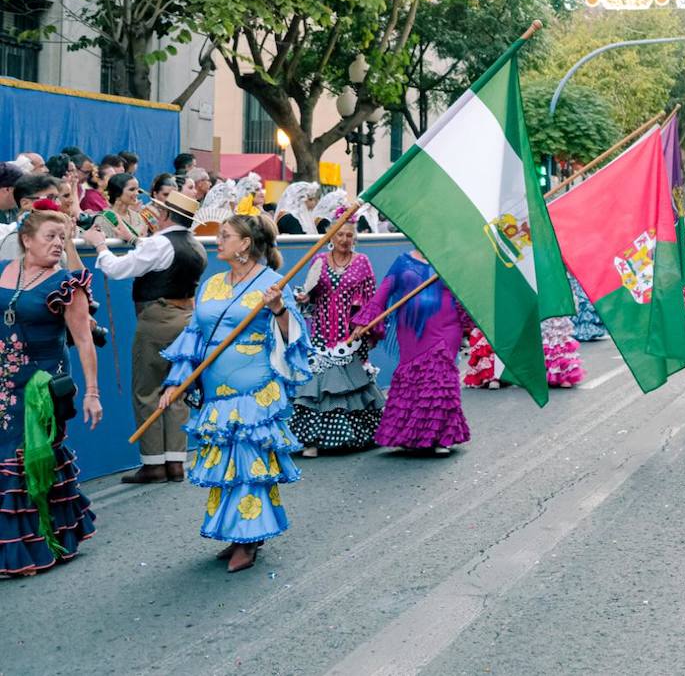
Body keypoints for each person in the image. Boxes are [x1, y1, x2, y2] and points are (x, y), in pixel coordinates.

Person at [158, 214, 311, 573]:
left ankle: (248, 540)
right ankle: (237, 532)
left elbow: (295, 337)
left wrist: (278, 309)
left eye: (225, 236)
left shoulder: (274, 283)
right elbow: (194, 336)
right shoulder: (210, 284)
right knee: (226, 465)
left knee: (247, 464)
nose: (217, 241)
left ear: (245, 244)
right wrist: (175, 382)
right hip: (215, 392)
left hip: (253, 389)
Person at [0, 206, 100, 576]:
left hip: (42, 387)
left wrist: (92, 392)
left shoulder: (67, 285)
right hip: (3, 384)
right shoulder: (6, 273)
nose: (59, 244)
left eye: (63, 237)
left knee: (29, 459)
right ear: (26, 240)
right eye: (51, 237)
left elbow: (85, 341)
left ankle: (36, 545)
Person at [84, 190, 207, 483]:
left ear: (165, 215)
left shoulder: (159, 243)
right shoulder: (195, 246)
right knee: (176, 389)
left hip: (157, 318)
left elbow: (116, 269)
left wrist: (101, 246)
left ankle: (153, 462)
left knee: (147, 390)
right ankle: (176, 461)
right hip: (186, 318)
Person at [354, 251, 470, 455]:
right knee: (412, 377)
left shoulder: (451, 259)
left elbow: (466, 292)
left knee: (440, 376)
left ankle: (442, 438)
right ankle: (408, 436)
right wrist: (366, 321)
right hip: (411, 328)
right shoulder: (402, 261)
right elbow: (385, 290)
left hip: (447, 325)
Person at [289, 211, 384, 455]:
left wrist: (364, 324)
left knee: (348, 383)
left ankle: (352, 436)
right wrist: (304, 297)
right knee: (318, 384)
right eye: (339, 234)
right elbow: (309, 296)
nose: (344, 239)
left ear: (355, 238)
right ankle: (311, 440)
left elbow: (372, 298)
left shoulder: (362, 261)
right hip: (321, 331)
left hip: (350, 334)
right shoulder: (319, 260)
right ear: (331, 235)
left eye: (349, 235)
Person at [92, 173, 152, 242]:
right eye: (132, 189)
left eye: (137, 190)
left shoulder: (138, 217)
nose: (137, 193)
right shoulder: (103, 219)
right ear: (117, 192)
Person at [570, 274, 608, 342]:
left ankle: (587, 332)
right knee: (581, 302)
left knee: (584, 304)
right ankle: (581, 332)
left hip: (581, 277)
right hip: (575, 278)